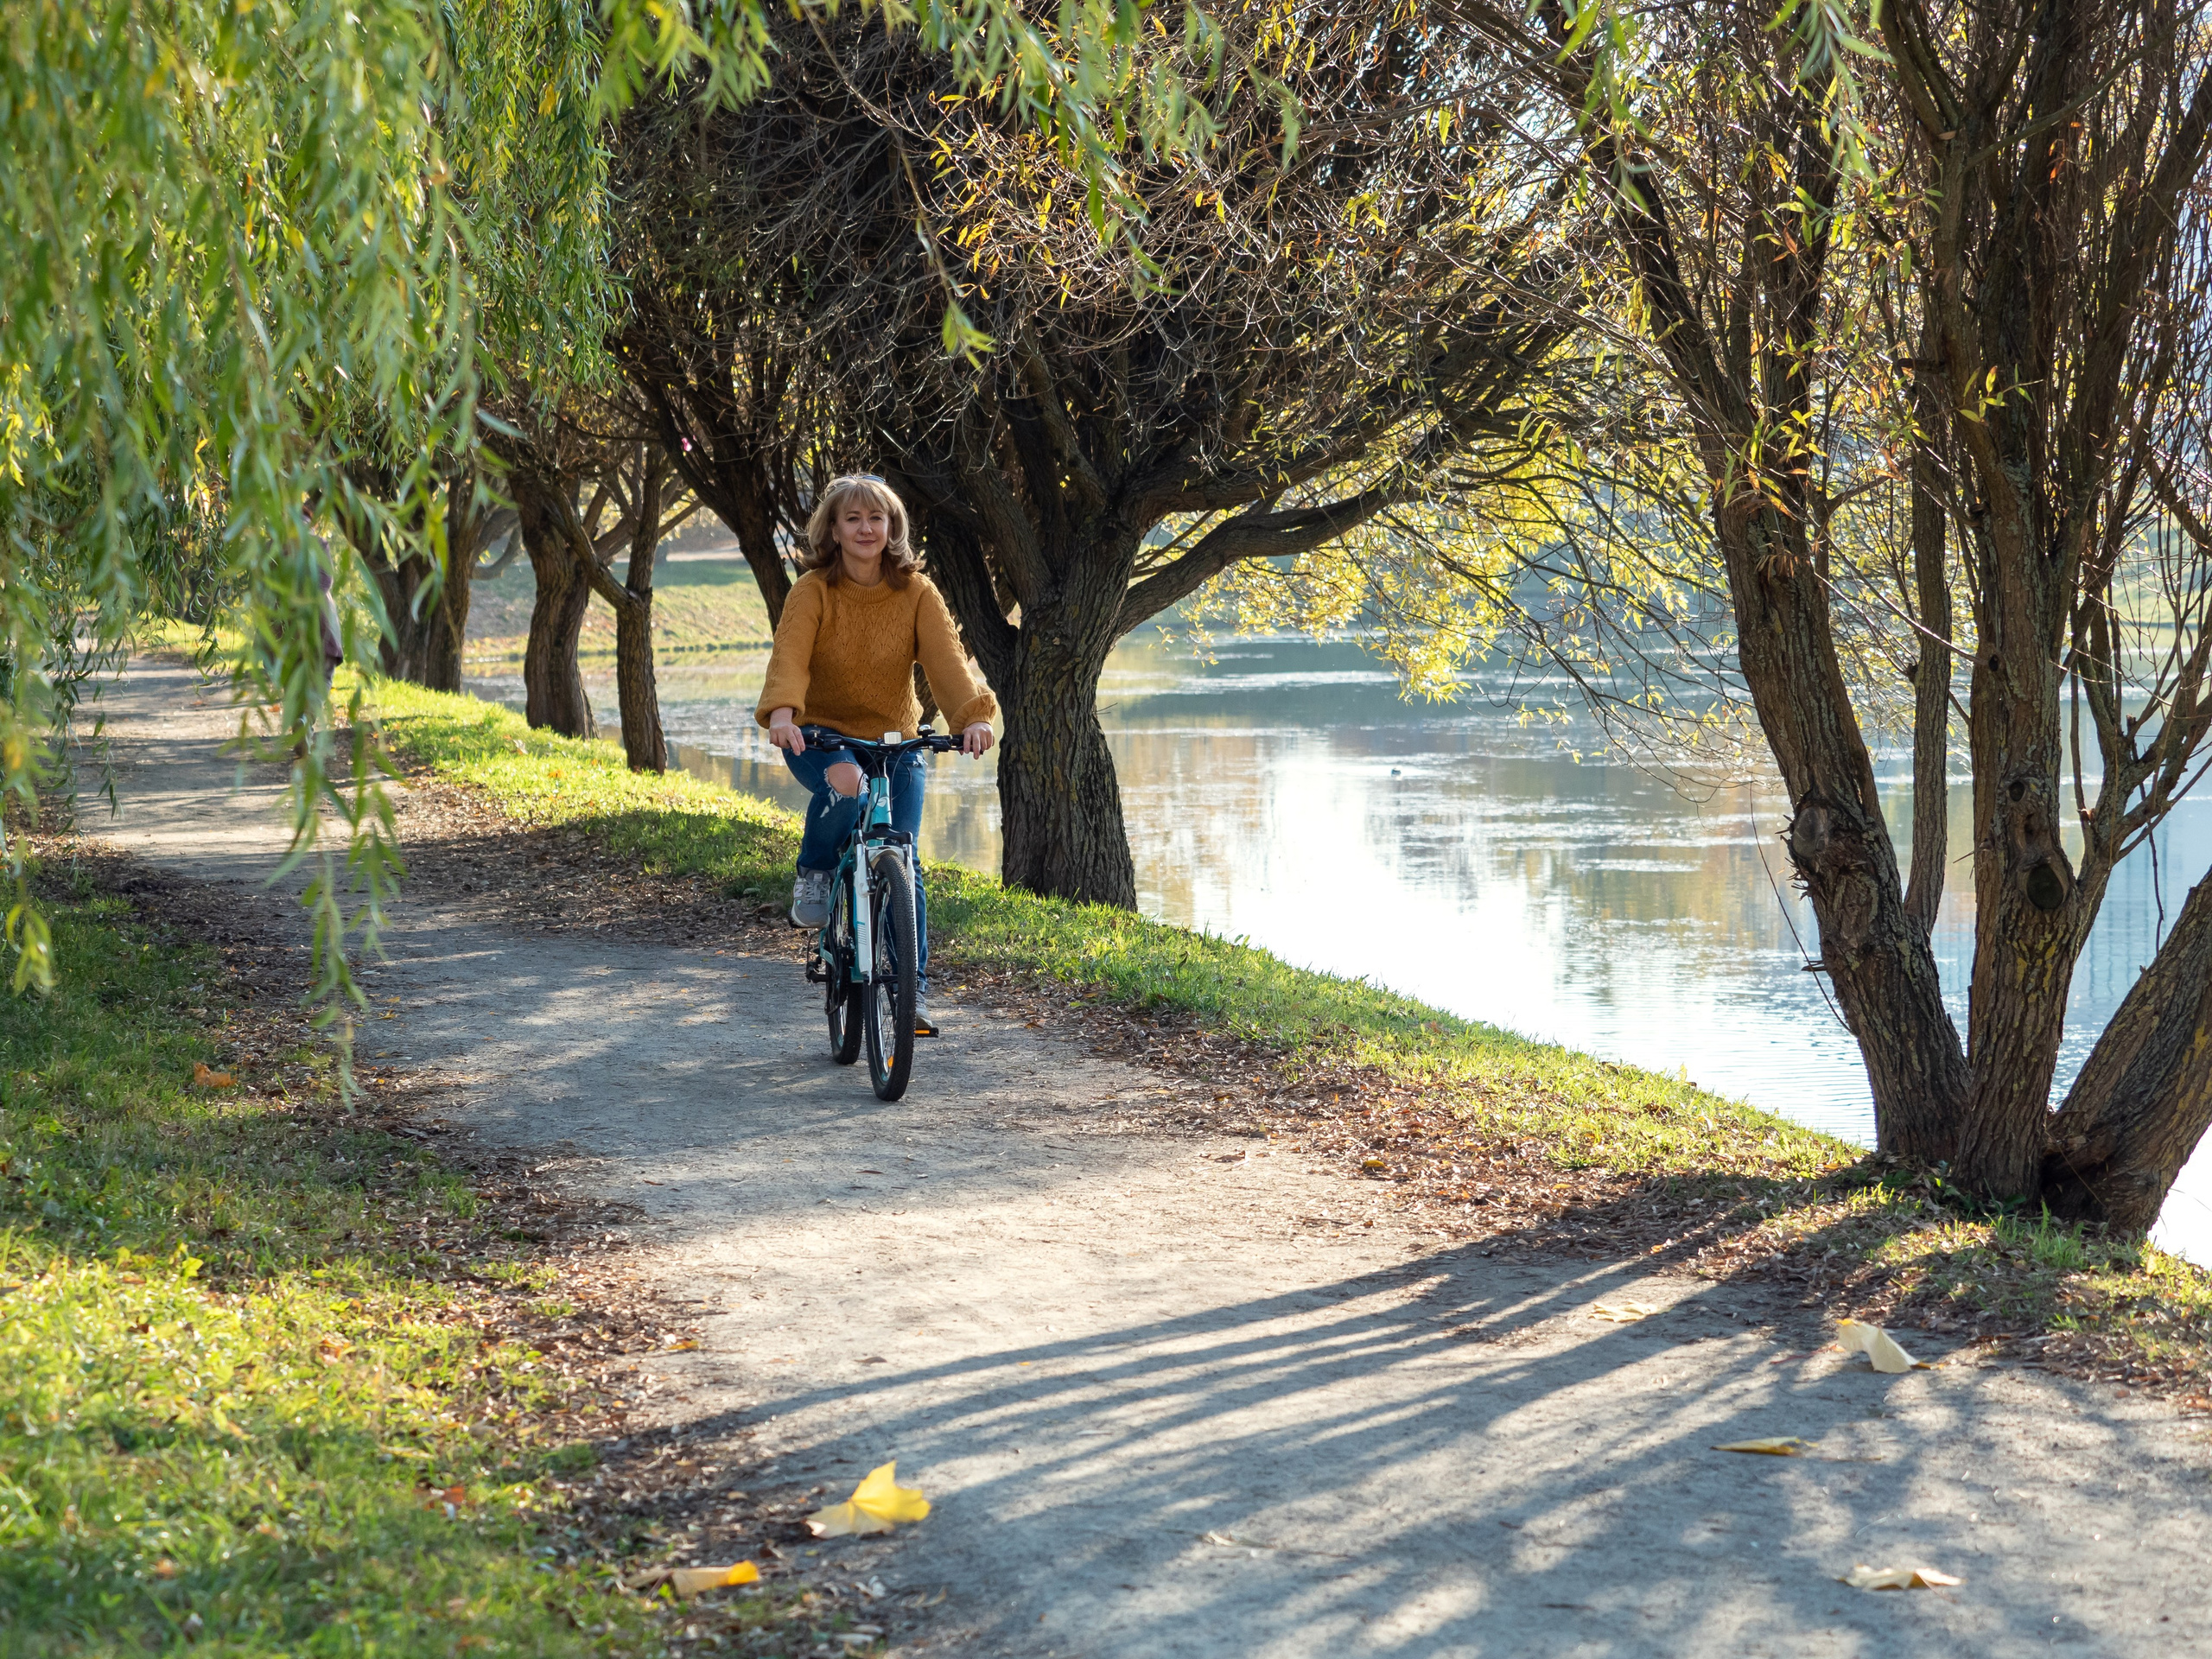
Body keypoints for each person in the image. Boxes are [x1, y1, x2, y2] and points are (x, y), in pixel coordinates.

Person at [756, 474, 996, 1035]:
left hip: (895, 740)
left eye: (877, 518)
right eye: (853, 519)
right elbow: (789, 655)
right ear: (833, 530)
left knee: (901, 857)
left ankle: (911, 995)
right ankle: (816, 870)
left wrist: (972, 718)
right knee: (846, 783)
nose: (866, 529)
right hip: (821, 735)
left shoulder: (917, 592)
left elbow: (947, 661)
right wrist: (785, 714)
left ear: (892, 528)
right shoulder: (813, 590)